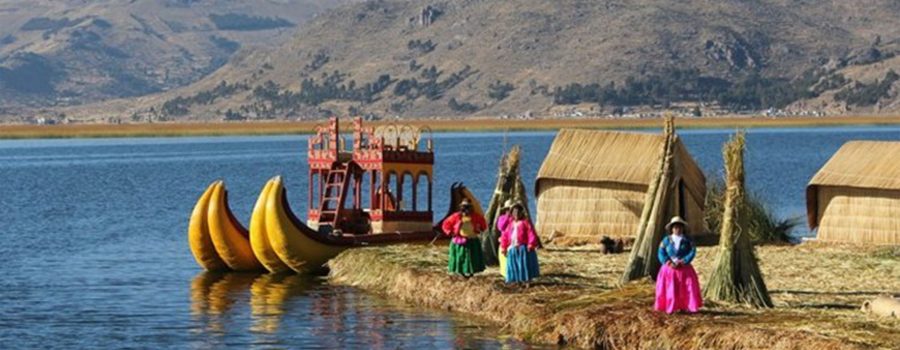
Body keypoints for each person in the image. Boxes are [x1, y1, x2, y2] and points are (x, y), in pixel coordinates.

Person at [655, 216, 703, 314]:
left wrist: (684, 261)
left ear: (683, 228)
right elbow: (661, 252)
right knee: (670, 288)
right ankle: (670, 307)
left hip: (684, 269)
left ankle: (684, 306)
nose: (678, 229)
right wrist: (668, 262)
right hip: (669, 270)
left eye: (680, 227)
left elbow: (692, 251)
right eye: (675, 227)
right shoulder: (666, 240)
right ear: (672, 228)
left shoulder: (687, 240)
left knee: (685, 288)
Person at [442, 199, 487, 277]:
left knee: (472, 257)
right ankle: (461, 271)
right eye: (464, 207)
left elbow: (483, 224)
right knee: (460, 257)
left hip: (472, 239)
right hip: (460, 240)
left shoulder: (475, 216)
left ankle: (471, 271)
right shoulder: (456, 216)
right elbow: (446, 224)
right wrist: (450, 232)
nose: (466, 209)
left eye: (468, 207)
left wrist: (481, 228)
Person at [500, 203, 540, 284]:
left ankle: (527, 280)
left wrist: (531, 244)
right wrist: (504, 247)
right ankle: (517, 280)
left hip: (523, 248)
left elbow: (531, 233)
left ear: (521, 213)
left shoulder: (525, 223)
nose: (516, 214)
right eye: (514, 212)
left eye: (518, 212)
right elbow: (505, 236)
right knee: (514, 265)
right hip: (513, 248)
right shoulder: (510, 224)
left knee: (524, 264)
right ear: (512, 213)